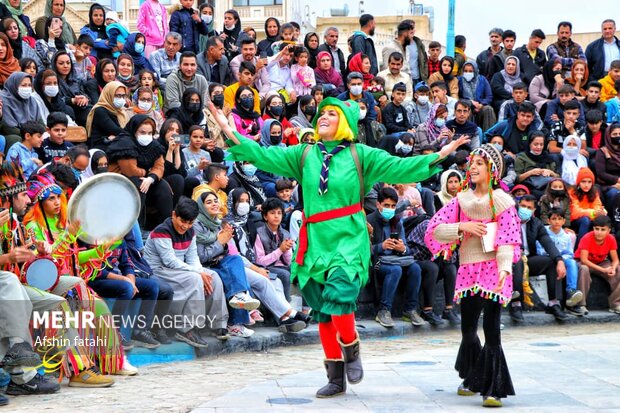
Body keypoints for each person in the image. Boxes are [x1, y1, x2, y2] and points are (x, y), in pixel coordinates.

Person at [209, 94, 468, 398]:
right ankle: (335, 375)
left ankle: (351, 346)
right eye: (321, 114)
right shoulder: (304, 154)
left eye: (330, 114)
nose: (323, 118)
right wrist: (229, 130)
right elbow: (264, 156)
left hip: (347, 233)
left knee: (341, 291)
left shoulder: (361, 155)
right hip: (316, 238)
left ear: (343, 121)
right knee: (322, 307)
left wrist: (439, 155)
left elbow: (400, 166)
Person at [425, 143, 520, 407]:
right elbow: (435, 230)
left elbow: (508, 240)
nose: (474, 167)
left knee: (491, 329)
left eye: (480, 163)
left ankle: (493, 389)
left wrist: (504, 268)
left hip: (493, 269)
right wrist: (461, 226)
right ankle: (473, 377)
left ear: (492, 170)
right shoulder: (461, 200)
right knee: (467, 329)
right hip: (468, 268)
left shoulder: (502, 201)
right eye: (473, 162)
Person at [143, 198, 228, 348]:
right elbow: (170, 261)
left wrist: (201, 272)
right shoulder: (161, 231)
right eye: (183, 221)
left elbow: (193, 257)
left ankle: (218, 323)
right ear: (174, 215)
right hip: (159, 270)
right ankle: (186, 328)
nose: (185, 226)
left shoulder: (191, 231)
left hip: (179, 270)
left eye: (190, 223)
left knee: (213, 277)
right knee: (195, 278)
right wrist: (198, 273)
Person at [369, 186, 424, 328]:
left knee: (415, 268)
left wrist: (402, 248)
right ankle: (383, 310)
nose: (390, 209)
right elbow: (364, 251)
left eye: (393, 206)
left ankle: (410, 310)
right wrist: (382, 246)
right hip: (377, 262)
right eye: (386, 205)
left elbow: (406, 248)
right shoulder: (369, 221)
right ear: (378, 204)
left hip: (396, 259)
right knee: (395, 270)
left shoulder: (397, 221)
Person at [107, 115, 174, 229]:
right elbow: (131, 171)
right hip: (121, 180)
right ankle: (137, 229)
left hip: (144, 179)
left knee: (163, 186)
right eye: (142, 132)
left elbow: (159, 166)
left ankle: (165, 228)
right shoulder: (124, 143)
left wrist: (151, 178)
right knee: (139, 185)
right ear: (134, 130)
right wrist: (146, 172)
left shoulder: (154, 145)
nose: (146, 136)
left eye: (149, 133)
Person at [536, 207, 584, 309]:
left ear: (563, 221)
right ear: (548, 220)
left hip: (562, 259)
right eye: (553, 219)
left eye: (559, 219)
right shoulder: (543, 232)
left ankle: (571, 291)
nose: (556, 222)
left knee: (572, 262)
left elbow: (569, 253)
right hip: (548, 259)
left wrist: (561, 259)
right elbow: (540, 250)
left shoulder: (566, 236)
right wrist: (555, 258)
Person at [575, 215, 620, 315]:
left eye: (603, 229)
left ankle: (615, 304)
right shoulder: (587, 238)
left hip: (601, 262)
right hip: (583, 262)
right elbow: (584, 260)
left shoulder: (611, 239)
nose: (599, 232)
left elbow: (616, 260)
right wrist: (602, 270)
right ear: (593, 229)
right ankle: (580, 304)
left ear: (608, 230)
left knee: (618, 270)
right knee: (584, 269)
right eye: (597, 229)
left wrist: (613, 267)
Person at [514, 131, 559, 198]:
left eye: (541, 144)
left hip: (548, 188)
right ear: (529, 144)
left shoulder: (549, 158)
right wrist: (531, 172)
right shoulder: (521, 158)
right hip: (529, 188)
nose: (539, 147)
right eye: (536, 144)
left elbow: (558, 178)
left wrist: (551, 172)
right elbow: (517, 179)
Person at [85, 81, 129, 149]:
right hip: (101, 146)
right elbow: (115, 130)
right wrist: (131, 133)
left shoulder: (121, 111)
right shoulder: (100, 110)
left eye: (123, 96)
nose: (121, 98)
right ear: (109, 94)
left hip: (116, 143)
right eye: (117, 95)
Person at [569, 167, 606, 244]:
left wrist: (600, 212)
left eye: (589, 182)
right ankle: (579, 248)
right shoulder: (572, 192)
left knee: (603, 219)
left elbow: (597, 205)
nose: (586, 185)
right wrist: (593, 212)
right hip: (574, 221)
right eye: (583, 181)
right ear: (579, 182)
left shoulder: (594, 192)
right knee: (585, 220)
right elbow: (574, 212)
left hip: (590, 218)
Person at [458, 61, 495, 131]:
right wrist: (470, 102)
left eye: (470, 71)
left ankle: (488, 136)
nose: (467, 73)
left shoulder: (482, 80)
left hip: (480, 106)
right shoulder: (459, 80)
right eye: (465, 71)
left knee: (488, 109)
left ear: (475, 71)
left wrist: (481, 104)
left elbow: (489, 96)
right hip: (466, 105)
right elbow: (457, 97)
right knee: (466, 110)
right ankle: (468, 135)